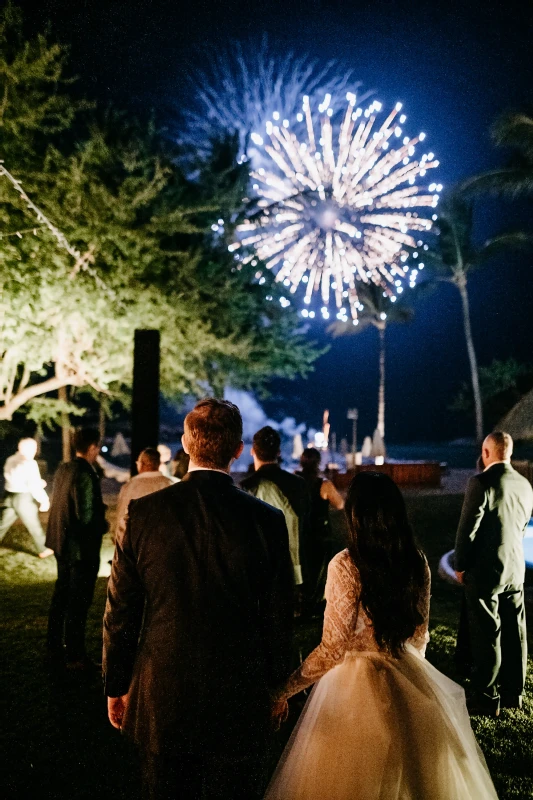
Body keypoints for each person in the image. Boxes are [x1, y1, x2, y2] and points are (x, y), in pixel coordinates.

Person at [103, 399, 294, 800]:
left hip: (162, 692)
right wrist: (279, 685)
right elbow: (278, 616)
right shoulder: (266, 521)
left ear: (187, 444)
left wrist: (117, 683)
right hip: (239, 692)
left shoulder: (144, 513)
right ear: (239, 449)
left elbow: (121, 608)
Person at [266, 472, 498, 800]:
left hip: (352, 687)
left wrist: (284, 690)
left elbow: (333, 648)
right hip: (405, 670)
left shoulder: (346, 565)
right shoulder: (415, 562)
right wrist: (415, 682)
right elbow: (420, 636)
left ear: (355, 516)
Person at [454, 431, 533, 716]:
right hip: (515, 569)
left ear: (487, 452)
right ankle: (514, 692)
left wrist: (460, 565)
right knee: (516, 631)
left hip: (486, 571)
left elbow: (467, 531)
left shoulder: (481, 482)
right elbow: (522, 527)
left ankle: (488, 696)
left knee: (487, 633)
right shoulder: (525, 485)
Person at [46, 428, 108, 670]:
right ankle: (75, 654)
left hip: (61, 544)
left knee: (60, 597)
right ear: (92, 447)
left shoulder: (64, 468)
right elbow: (86, 516)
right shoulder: (86, 473)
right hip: (81, 550)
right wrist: (102, 524)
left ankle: (53, 649)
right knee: (78, 602)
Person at [241, 426, 310, 588]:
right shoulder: (299, 484)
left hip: (260, 572)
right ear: (279, 452)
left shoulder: (247, 487)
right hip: (297, 571)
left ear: (253, 451)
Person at [296, 447, 344, 612]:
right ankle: (318, 602)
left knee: (305, 566)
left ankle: (304, 600)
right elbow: (340, 504)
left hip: (301, 531)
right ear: (319, 463)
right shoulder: (324, 484)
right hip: (321, 532)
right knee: (321, 569)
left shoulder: (295, 482)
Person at [0, 437, 53, 558]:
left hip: (10, 496)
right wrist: (44, 500)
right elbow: (32, 485)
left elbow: (15, 478)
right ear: (24, 448)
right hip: (23, 498)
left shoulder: (11, 460)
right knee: (33, 524)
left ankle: (43, 548)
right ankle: (43, 549)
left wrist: (38, 482)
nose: (35, 450)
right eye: (33, 448)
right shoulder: (29, 463)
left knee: (2, 524)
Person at [114, 448, 173, 543]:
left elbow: (122, 517)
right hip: (165, 541)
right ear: (158, 464)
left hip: (137, 543)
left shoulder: (130, 487)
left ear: (142, 464)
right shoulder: (171, 484)